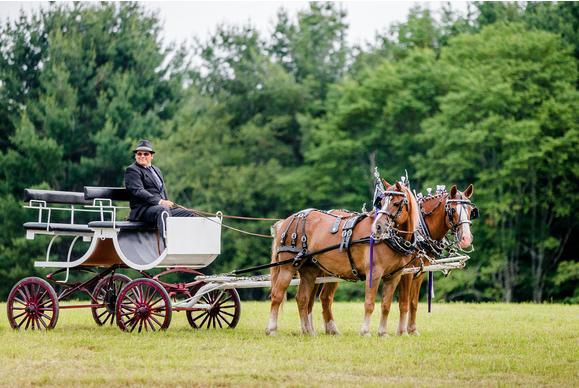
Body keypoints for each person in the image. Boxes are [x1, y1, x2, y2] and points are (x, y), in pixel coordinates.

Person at [124, 139, 194, 238]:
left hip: (160, 207)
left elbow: (162, 190)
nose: (142, 156)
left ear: (151, 156)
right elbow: (138, 191)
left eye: (146, 154)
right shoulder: (132, 170)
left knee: (188, 213)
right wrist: (161, 202)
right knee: (163, 211)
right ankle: (166, 243)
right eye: (139, 154)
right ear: (136, 156)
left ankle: (186, 241)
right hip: (143, 210)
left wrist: (168, 203)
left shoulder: (156, 170)